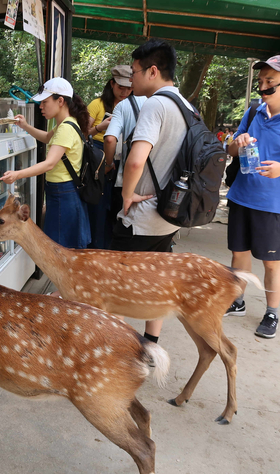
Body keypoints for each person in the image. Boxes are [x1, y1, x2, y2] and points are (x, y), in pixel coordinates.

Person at [111, 38, 193, 345]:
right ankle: (150, 345)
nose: (131, 78)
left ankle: (113, 348)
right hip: (171, 211)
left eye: (134, 71)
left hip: (143, 215)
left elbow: (135, 162)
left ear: (153, 71)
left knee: (114, 284)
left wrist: (127, 196)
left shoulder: (155, 104)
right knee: (156, 281)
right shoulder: (186, 106)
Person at [224, 55, 280, 339]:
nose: (262, 87)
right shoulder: (253, 111)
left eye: (270, 81)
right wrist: (238, 141)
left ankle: (271, 312)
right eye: (261, 81)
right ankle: (238, 300)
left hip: (272, 204)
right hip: (242, 195)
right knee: (239, 253)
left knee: (271, 262)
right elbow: (231, 151)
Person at [3, 77, 91, 249]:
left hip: (63, 193)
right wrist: (25, 126)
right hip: (63, 191)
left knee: (59, 248)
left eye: (44, 102)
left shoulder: (65, 127)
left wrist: (17, 174)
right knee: (63, 246)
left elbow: (49, 164)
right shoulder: (65, 124)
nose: (41, 107)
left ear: (60, 101)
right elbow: (46, 137)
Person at [85, 66, 133, 248]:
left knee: (118, 205)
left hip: (124, 159)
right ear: (112, 84)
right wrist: (100, 127)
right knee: (98, 206)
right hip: (98, 157)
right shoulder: (97, 104)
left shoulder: (132, 106)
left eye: (129, 88)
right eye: (121, 87)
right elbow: (81, 133)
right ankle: (96, 247)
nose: (125, 92)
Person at [103, 87, 147, 240]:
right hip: (156, 183)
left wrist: (109, 164)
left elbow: (110, 139)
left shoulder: (123, 106)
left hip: (126, 180)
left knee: (122, 229)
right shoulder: (165, 102)